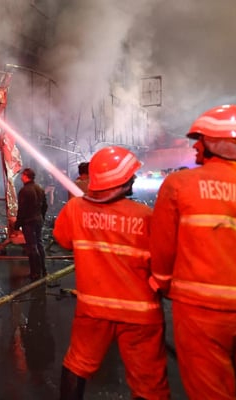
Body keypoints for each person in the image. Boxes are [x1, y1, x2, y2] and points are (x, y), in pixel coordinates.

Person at [149, 104, 236, 400]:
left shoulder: (178, 184)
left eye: (201, 139)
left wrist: (160, 283)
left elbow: (162, 248)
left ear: (217, 143)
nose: (196, 146)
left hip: (201, 310)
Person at [53, 146, 170, 400]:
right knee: (148, 382)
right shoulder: (147, 216)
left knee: (77, 364)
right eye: (131, 176)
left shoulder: (75, 209)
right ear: (122, 181)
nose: (135, 179)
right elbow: (163, 264)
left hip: (93, 307)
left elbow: (62, 239)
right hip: (140, 313)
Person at [14, 168, 48, 279]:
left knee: (32, 247)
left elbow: (22, 210)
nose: (21, 177)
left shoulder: (24, 191)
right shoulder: (40, 188)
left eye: (22, 175)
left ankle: (35, 273)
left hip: (29, 222)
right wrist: (42, 217)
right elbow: (45, 206)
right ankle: (43, 270)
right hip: (38, 220)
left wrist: (17, 224)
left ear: (26, 176)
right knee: (40, 244)